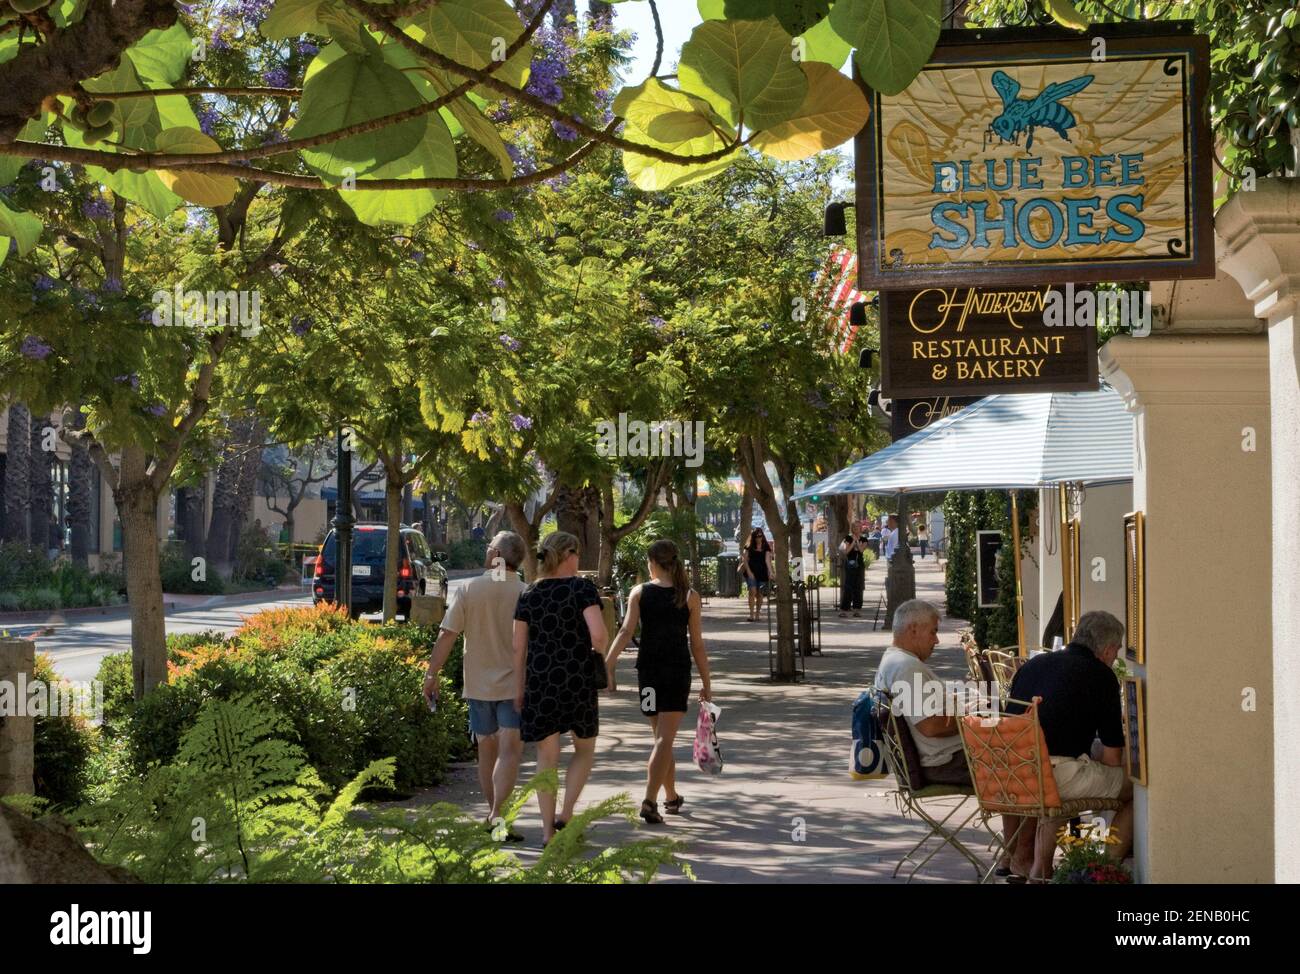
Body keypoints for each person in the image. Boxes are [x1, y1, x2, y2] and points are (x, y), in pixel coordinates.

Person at [1002, 610, 1134, 881]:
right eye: (1117, 651)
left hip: (1015, 773)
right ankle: (1101, 870)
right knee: (1137, 788)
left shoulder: (1033, 665)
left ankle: (1037, 866)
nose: (1116, 657)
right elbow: (1111, 758)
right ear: (1108, 649)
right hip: (1056, 777)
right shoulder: (1101, 676)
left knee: (1063, 779)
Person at [424, 531, 528, 840]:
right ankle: (497, 814)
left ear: (496, 552)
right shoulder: (525, 592)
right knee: (510, 751)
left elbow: (448, 635)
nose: (486, 548)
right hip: (515, 685)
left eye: (489, 545)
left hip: (479, 685)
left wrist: (432, 673)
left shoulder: (470, 589)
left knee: (487, 750)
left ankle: (494, 815)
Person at [606, 539, 713, 825]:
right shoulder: (689, 596)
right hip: (676, 673)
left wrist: (609, 662)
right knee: (664, 740)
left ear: (652, 562)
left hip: (649, 675)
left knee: (660, 740)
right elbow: (698, 645)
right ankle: (650, 801)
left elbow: (626, 631)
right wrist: (707, 681)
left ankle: (671, 796)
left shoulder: (639, 593)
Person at [512, 531, 608, 845]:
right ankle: (566, 814)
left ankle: (547, 833)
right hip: (577, 679)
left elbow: (518, 648)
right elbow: (599, 635)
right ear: (569, 555)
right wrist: (599, 654)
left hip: (540, 681)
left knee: (546, 757)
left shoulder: (528, 594)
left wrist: (519, 689)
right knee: (584, 748)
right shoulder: (582, 589)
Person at [873, 599, 970, 786]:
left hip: (942, 758)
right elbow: (930, 726)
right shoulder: (907, 667)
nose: (936, 640)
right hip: (945, 763)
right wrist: (971, 718)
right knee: (1027, 761)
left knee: (1024, 757)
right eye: (933, 632)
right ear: (914, 629)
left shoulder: (894, 660)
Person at [738, 527, 774, 622]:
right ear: (753, 537)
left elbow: (768, 561)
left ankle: (758, 613)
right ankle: (751, 614)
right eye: (757, 536)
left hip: (762, 573)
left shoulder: (766, 547)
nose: (759, 538)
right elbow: (744, 560)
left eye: (760, 536)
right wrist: (749, 572)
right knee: (752, 591)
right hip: (751, 572)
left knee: (760, 594)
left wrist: (771, 572)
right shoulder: (749, 546)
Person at [838, 534, 866, 618]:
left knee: (858, 588)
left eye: (858, 527)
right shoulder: (848, 538)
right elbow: (846, 551)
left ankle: (857, 610)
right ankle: (844, 609)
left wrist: (857, 542)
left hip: (859, 566)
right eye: (855, 527)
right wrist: (853, 542)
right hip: (850, 566)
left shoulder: (864, 539)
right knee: (848, 587)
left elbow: (861, 550)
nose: (857, 529)